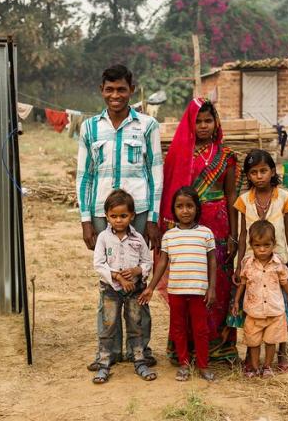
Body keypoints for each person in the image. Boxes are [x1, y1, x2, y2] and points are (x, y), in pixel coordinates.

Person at [76, 64, 163, 371]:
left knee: (137, 281)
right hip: (103, 215)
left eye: (121, 89)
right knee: (109, 284)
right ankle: (108, 351)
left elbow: (155, 173)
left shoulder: (148, 125)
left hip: (138, 213)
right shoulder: (89, 128)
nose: (115, 95)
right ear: (102, 90)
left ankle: (140, 350)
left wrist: (152, 218)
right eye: (109, 89)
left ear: (131, 89)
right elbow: (84, 176)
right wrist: (86, 220)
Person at [158, 97, 240, 363]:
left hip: (218, 227)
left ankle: (219, 347)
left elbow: (231, 197)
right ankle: (185, 348)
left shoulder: (226, 156)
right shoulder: (180, 154)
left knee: (219, 285)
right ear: (190, 124)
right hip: (186, 229)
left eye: (208, 120)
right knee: (188, 283)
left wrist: (234, 235)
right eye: (199, 121)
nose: (204, 126)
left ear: (216, 123)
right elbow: (170, 191)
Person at [233, 149, 288, 373]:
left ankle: (282, 353)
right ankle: (250, 355)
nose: (259, 176)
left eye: (264, 171)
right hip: (251, 263)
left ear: (273, 171)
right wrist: (239, 263)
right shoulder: (244, 200)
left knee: (281, 307)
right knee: (252, 307)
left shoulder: (284, 197)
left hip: (279, 261)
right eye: (253, 172)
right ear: (248, 176)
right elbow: (243, 235)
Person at [140, 186, 216, 382]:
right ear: (173, 210)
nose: (185, 210)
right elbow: (163, 262)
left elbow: (212, 261)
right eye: (180, 206)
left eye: (190, 206)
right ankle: (184, 363)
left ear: (197, 208)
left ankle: (203, 365)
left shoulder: (206, 234)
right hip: (176, 290)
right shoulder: (169, 236)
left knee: (200, 329)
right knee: (178, 328)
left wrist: (212, 287)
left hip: (199, 290)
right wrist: (150, 286)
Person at [91, 189, 157, 384]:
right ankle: (104, 362)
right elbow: (98, 264)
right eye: (113, 216)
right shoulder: (103, 238)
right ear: (106, 216)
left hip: (134, 291)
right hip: (111, 290)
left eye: (123, 216)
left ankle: (139, 360)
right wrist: (118, 276)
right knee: (108, 325)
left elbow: (147, 262)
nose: (118, 220)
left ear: (132, 216)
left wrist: (137, 271)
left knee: (136, 324)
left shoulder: (138, 239)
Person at [231, 220, 288, 378]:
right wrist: (236, 301)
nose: (262, 250)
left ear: (273, 244)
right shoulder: (247, 263)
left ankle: (267, 367)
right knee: (253, 343)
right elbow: (243, 283)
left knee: (270, 342)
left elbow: (284, 282)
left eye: (266, 245)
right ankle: (254, 367)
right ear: (251, 245)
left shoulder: (278, 263)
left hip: (275, 311)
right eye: (257, 246)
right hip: (253, 311)